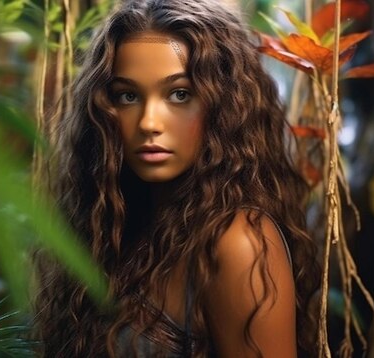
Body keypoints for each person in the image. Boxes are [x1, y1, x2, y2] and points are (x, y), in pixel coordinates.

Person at [34, 0, 320, 356]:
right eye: (128, 96)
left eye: (180, 94)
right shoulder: (113, 224)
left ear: (224, 107)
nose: (149, 123)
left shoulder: (237, 243)